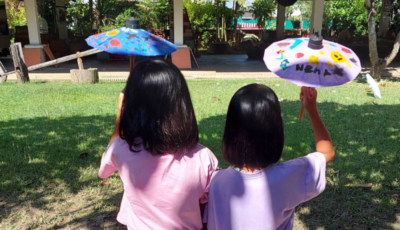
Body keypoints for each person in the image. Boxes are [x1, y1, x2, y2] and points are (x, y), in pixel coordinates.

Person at [99, 59, 218, 230]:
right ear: (182, 104)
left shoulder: (120, 148)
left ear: (131, 105)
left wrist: (120, 114)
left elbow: (104, 172)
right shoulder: (204, 157)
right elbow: (206, 209)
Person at [206, 84, 335, 230]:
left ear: (230, 131)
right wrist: (312, 110)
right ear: (276, 132)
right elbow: (327, 153)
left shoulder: (217, 181)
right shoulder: (289, 175)